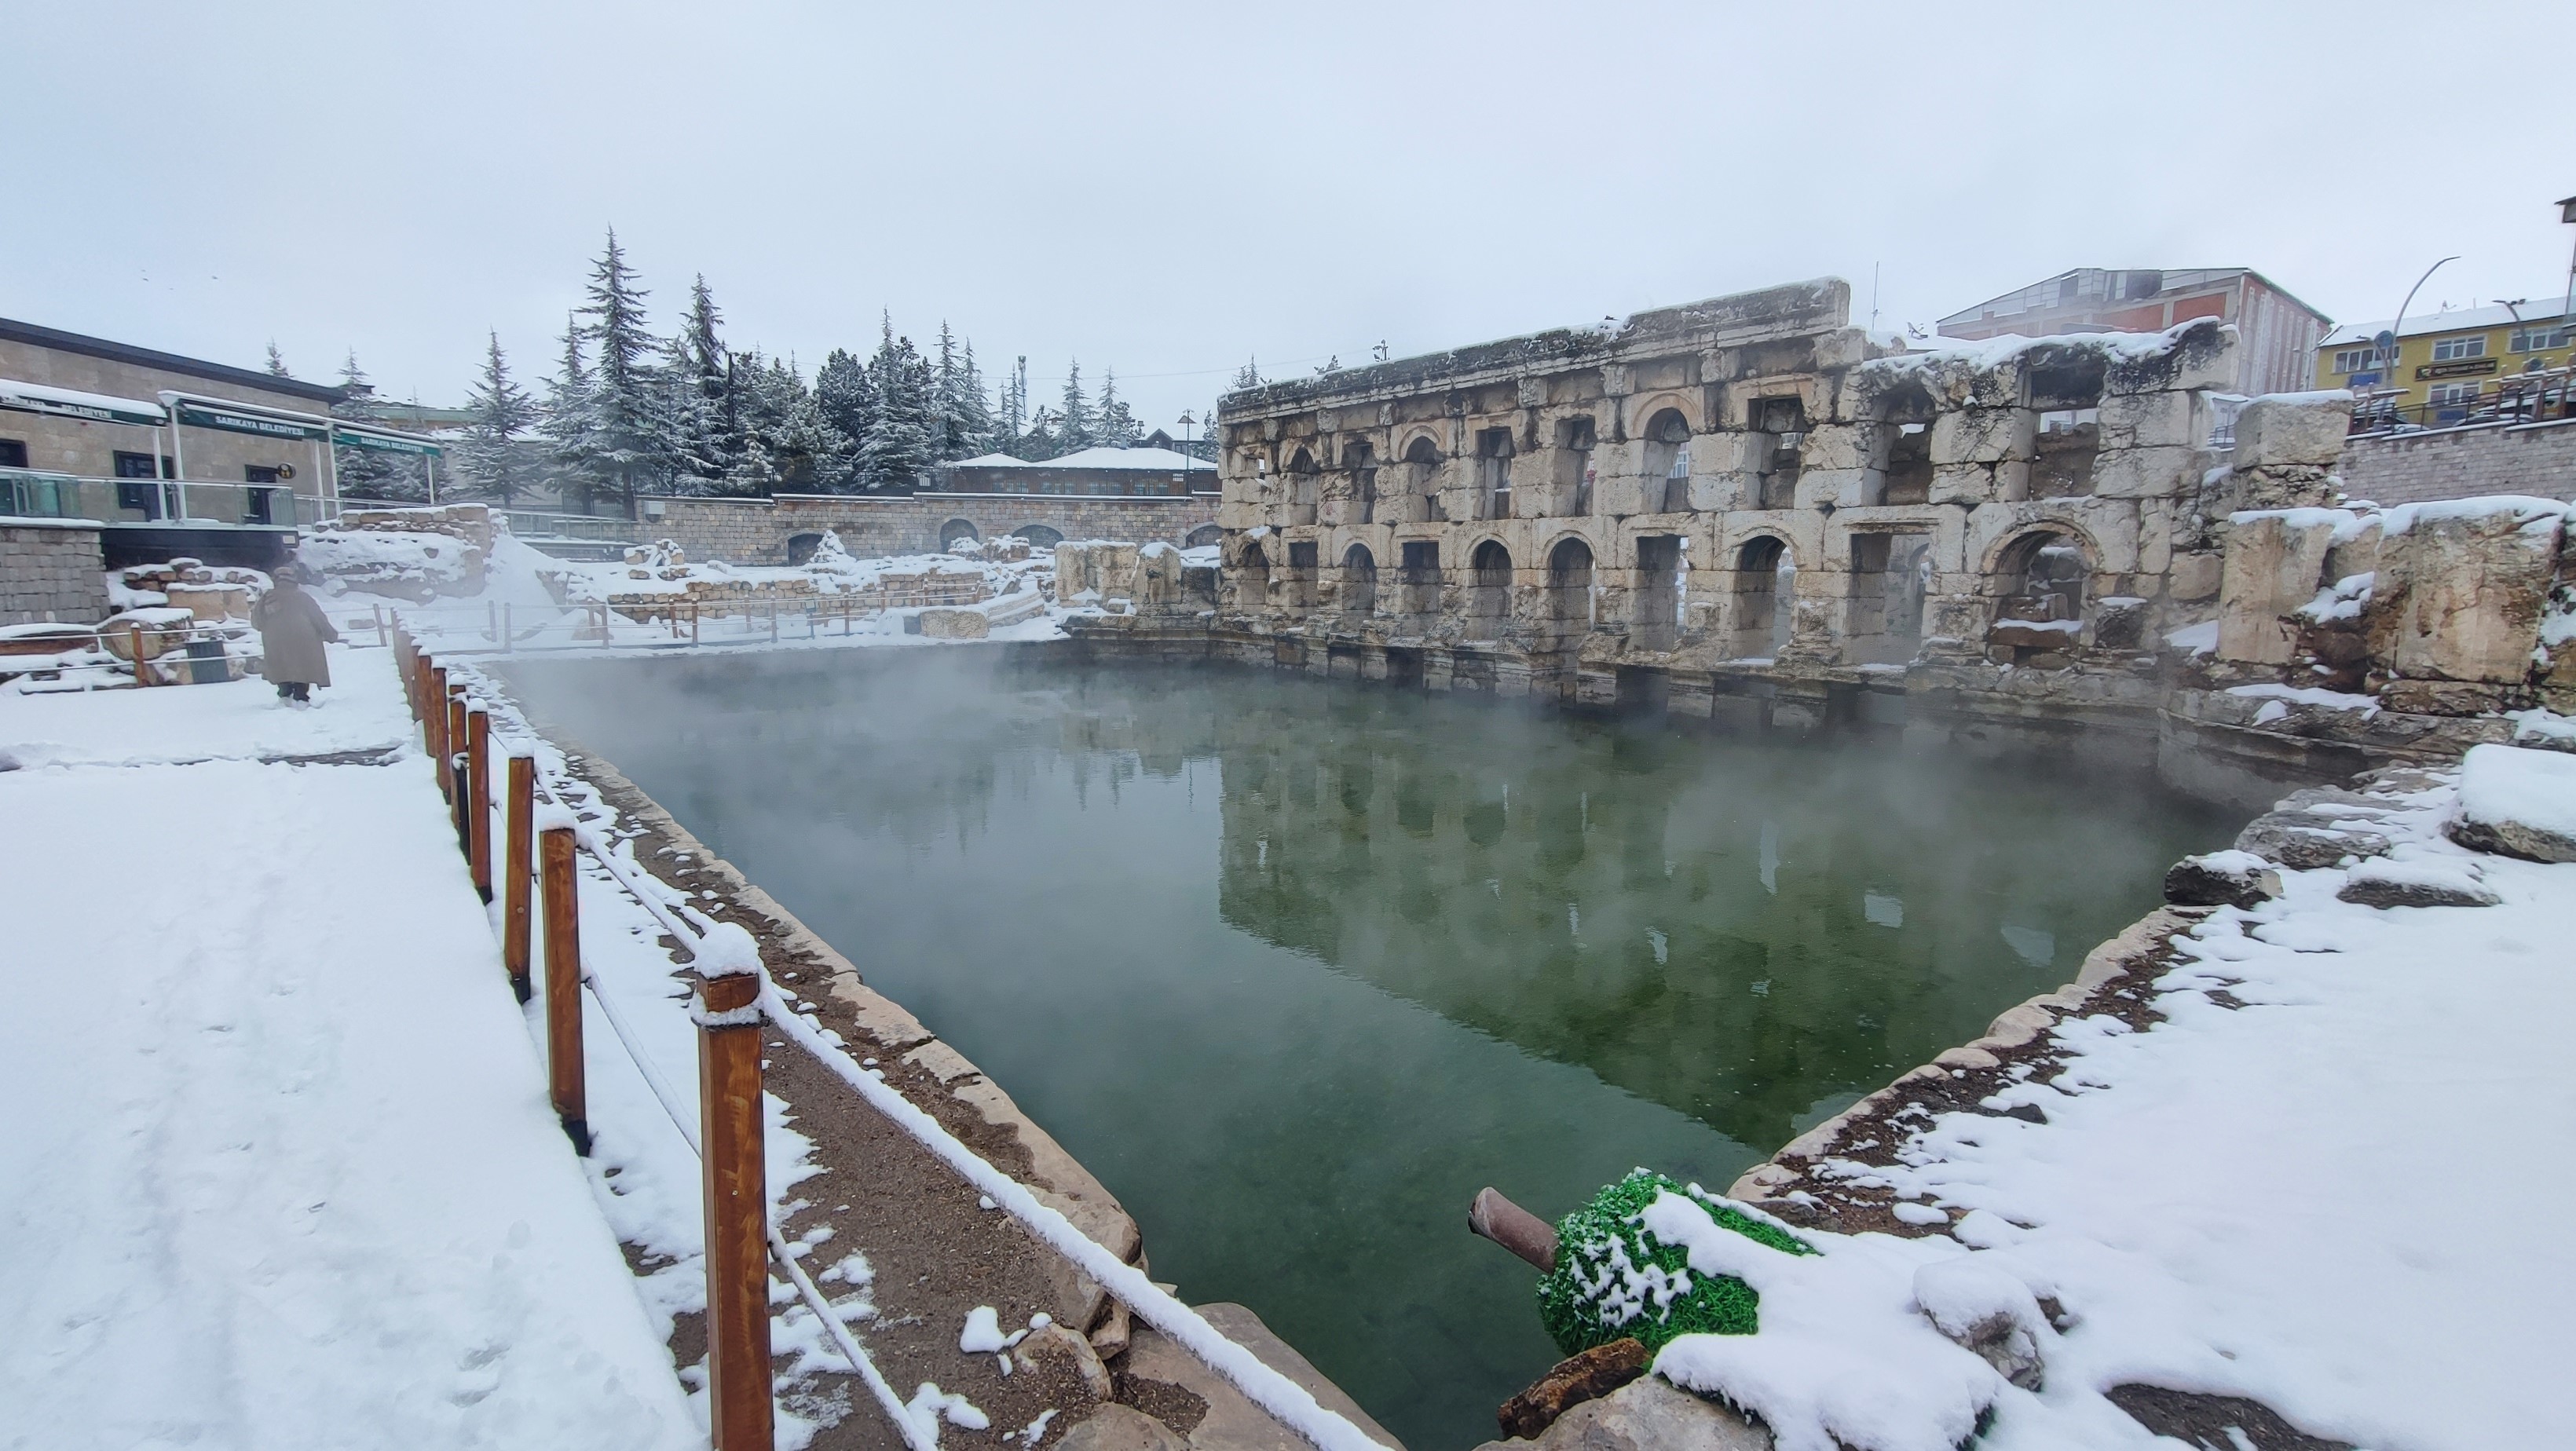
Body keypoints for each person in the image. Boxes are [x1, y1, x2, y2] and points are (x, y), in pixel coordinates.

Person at [250, 565, 339, 704]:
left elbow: (256, 621)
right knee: (302, 666)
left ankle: (284, 693)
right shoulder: (302, 597)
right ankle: (301, 694)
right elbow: (318, 618)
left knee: (282, 665)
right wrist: (330, 634)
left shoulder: (267, 598)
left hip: (276, 641)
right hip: (304, 640)